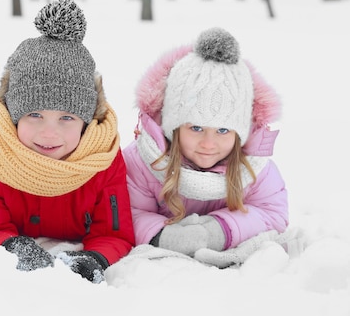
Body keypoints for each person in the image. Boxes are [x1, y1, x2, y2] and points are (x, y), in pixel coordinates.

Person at [0, 0, 135, 284]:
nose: (49, 133)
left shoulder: (103, 160)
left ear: (87, 121)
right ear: (13, 115)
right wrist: (12, 246)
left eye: (66, 118)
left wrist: (94, 258)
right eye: (34, 115)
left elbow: (113, 233)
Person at [123, 27, 288, 259]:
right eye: (196, 128)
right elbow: (128, 212)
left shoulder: (253, 167)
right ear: (174, 127)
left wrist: (218, 231)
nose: (209, 144)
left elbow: (272, 212)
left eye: (222, 130)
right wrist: (166, 236)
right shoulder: (143, 161)